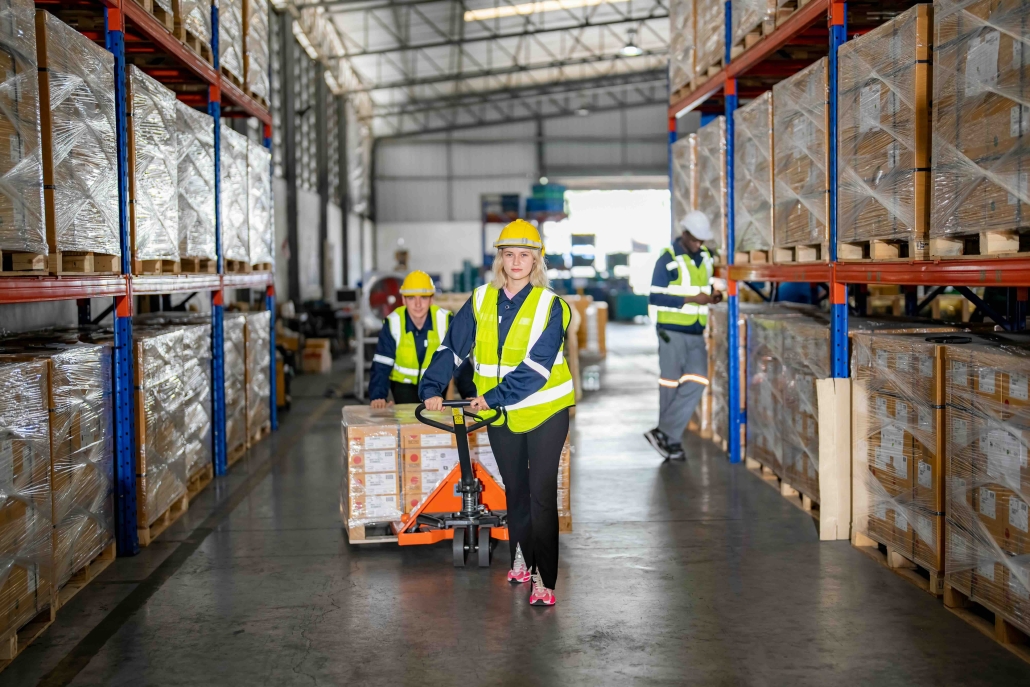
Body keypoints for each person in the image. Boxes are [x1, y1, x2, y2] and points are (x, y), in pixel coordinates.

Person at [420, 219, 574, 607]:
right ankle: (522, 555)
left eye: (525, 255)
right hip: (501, 416)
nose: (516, 261)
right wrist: (432, 388)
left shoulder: (551, 306)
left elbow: (538, 368)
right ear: (501, 260)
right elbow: (452, 349)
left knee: (540, 494)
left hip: (544, 411)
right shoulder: (480, 300)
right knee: (515, 492)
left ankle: (545, 578)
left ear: (536, 260)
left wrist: (492, 398)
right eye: (510, 254)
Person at [644, 210, 722, 461]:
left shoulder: (707, 256)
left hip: (696, 330)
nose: (699, 244)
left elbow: (710, 283)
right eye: (695, 239)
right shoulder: (667, 259)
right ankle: (671, 441)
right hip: (671, 330)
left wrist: (714, 295)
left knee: (699, 379)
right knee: (670, 383)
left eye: (703, 240)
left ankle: (663, 432)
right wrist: (691, 299)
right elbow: (655, 296)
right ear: (685, 234)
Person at [369, 271, 453, 408]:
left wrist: (469, 392)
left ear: (432, 299)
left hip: (435, 385)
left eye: (424, 298)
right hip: (403, 387)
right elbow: (382, 363)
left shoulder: (445, 320)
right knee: (408, 423)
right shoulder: (393, 323)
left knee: (435, 424)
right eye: (412, 298)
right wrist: (378, 395)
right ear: (403, 300)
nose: (418, 304)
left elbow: (460, 359)